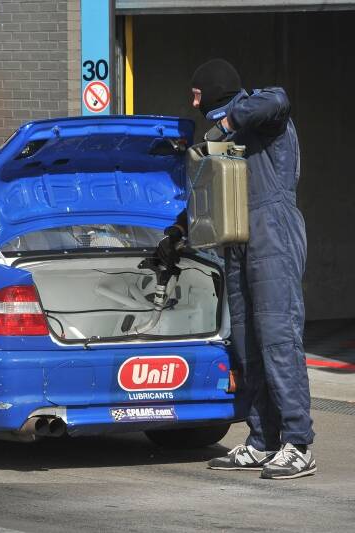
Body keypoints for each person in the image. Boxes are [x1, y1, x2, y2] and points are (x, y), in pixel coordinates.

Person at [158, 58, 314, 479]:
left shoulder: (260, 114)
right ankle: (263, 441)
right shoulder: (221, 141)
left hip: (273, 233)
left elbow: (279, 99)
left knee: (278, 338)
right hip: (238, 240)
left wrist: (228, 122)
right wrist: (178, 231)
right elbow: (211, 195)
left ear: (214, 89)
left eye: (197, 94)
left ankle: (298, 444)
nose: (193, 102)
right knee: (246, 344)